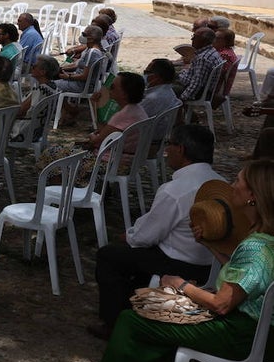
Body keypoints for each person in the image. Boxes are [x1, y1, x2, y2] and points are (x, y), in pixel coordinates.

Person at [53, 159, 274, 362]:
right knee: (161, 328)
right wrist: (206, 243)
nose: (232, 185)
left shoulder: (255, 248)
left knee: (133, 321)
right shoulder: (264, 240)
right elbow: (241, 275)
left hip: (241, 334)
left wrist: (180, 285)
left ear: (252, 195)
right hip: (253, 329)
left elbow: (222, 303)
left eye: (238, 181)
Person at [88, 123, 224, 339]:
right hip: (212, 265)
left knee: (109, 256)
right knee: (136, 253)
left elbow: (147, 236)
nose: (166, 151)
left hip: (181, 263)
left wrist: (129, 235)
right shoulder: (222, 183)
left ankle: (112, 323)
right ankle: (133, 300)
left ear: (181, 150)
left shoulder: (175, 191)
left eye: (169, 145)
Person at [176, 27, 225, 103]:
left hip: (196, 91)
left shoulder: (203, 58)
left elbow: (197, 83)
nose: (192, 39)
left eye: (195, 37)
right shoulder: (211, 51)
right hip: (193, 82)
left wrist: (182, 99)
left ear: (204, 41)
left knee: (163, 86)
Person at [55, 24, 105, 92]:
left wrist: (68, 77)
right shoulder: (91, 49)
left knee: (49, 83)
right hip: (81, 83)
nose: (82, 36)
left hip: (81, 86)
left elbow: (84, 76)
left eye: (84, 34)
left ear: (91, 39)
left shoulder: (92, 53)